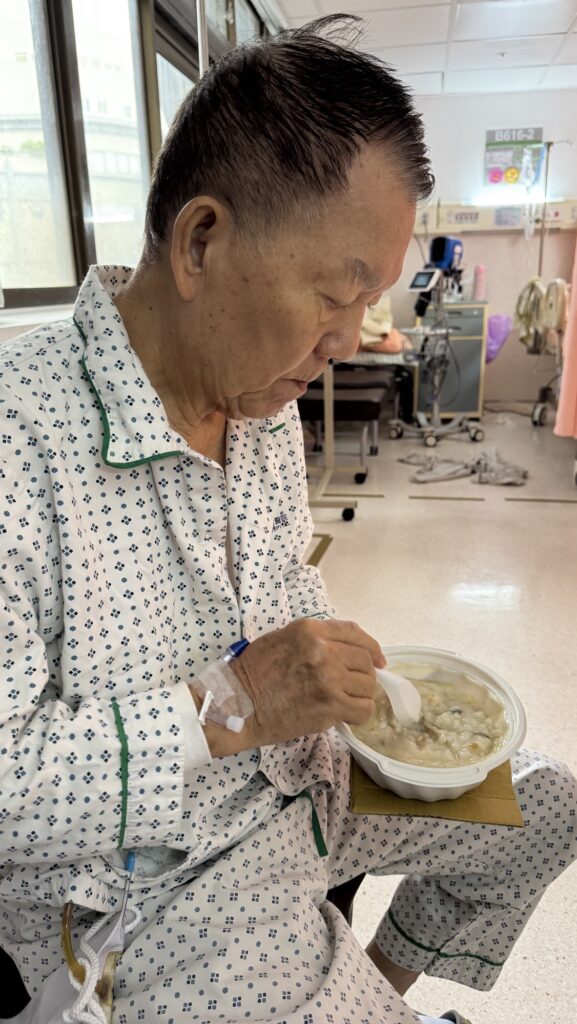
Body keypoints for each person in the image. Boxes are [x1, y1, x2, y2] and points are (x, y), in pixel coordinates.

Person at [0, 16, 575, 1024]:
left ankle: (367, 991)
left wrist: (334, 679)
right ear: (201, 241)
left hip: (299, 785)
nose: (348, 340)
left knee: (547, 802)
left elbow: (280, 595)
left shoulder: (260, 407)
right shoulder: (21, 437)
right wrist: (230, 705)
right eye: (335, 295)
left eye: (369, 302)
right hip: (150, 880)